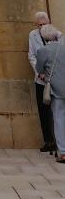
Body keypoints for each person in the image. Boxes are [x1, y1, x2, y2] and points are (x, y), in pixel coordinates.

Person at [35, 25, 65, 164]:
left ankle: (63, 152)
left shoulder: (43, 50)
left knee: (59, 118)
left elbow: (39, 69)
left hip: (56, 89)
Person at [28, 11, 55, 153]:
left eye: (44, 24)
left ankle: (58, 140)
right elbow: (32, 55)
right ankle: (48, 140)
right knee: (43, 111)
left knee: (56, 111)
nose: (42, 27)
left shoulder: (56, 35)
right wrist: (40, 73)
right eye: (40, 25)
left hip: (54, 79)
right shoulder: (32, 36)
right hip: (40, 79)